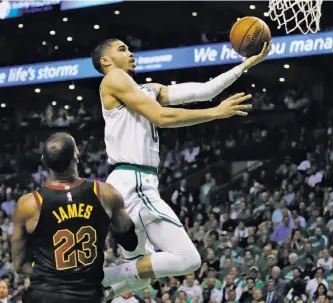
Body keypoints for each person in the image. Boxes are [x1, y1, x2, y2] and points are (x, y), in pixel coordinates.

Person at [91, 38, 271, 298]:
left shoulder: (147, 90)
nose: (130, 53)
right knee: (188, 259)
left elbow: (206, 90)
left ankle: (100, 292)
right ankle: (103, 278)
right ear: (105, 61)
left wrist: (246, 64)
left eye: (129, 48)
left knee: (140, 277)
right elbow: (162, 117)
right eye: (122, 49)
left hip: (133, 182)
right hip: (134, 182)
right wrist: (216, 113)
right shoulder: (114, 78)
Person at [11, 133, 137, 303]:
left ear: (44, 160)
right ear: (76, 156)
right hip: (88, 295)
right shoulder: (105, 193)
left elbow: (19, 265)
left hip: (44, 295)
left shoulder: (29, 204)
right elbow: (130, 241)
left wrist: (51, 275)